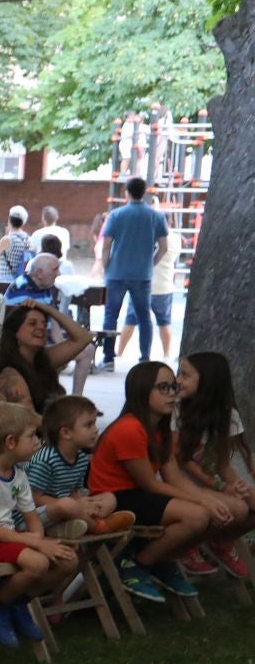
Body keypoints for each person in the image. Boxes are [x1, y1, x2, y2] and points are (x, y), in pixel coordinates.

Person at [88, 361, 238, 603]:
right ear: (141, 391)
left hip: (138, 494)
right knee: (198, 516)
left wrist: (207, 498)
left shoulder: (160, 427)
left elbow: (173, 476)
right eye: (163, 388)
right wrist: (204, 502)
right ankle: (138, 564)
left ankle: (163, 561)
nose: (172, 394)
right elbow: (151, 484)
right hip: (115, 498)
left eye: (173, 387)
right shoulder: (130, 428)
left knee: (218, 510)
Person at [0, 402, 80, 647]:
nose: (38, 442)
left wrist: (39, 539)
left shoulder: (18, 473)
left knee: (68, 561)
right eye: (32, 436)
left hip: (7, 536)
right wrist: (35, 543)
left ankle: (18, 601)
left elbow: (32, 518)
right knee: (38, 563)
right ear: (11, 442)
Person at [174, 351, 255, 578]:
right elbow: (182, 461)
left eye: (185, 375)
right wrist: (220, 487)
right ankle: (187, 545)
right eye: (180, 373)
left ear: (207, 382)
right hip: (176, 481)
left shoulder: (229, 415)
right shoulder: (175, 409)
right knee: (237, 508)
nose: (178, 380)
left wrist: (237, 486)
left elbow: (223, 466)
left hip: (204, 482)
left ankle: (221, 540)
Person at [93, 177, 171, 371]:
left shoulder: (116, 215)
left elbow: (106, 245)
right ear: (144, 192)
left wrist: (106, 266)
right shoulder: (156, 216)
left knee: (111, 315)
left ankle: (108, 358)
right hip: (142, 274)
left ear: (126, 192)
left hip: (117, 273)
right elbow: (163, 247)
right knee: (144, 317)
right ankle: (144, 357)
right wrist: (150, 264)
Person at [28, 394, 132, 536]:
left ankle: (77, 523)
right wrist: (74, 504)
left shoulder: (81, 459)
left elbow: (75, 491)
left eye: (95, 423)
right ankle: (97, 526)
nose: (95, 429)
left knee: (110, 497)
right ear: (66, 433)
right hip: (33, 515)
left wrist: (83, 502)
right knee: (67, 505)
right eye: (88, 425)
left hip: (67, 507)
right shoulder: (45, 460)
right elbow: (34, 499)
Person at [0, 297, 92, 412]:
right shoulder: (9, 372)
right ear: (15, 332)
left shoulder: (42, 359)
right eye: (32, 323)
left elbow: (84, 338)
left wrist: (49, 310)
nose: (41, 327)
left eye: (44, 324)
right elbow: (28, 420)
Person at [121, 226, 181, 365]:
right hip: (164, 285)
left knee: (131, 320)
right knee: (164, 322)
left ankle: (119, 353)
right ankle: (166, 354)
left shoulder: (144, 236)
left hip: (142, 285)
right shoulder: (176, 238)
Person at [0, 205, 34, 281]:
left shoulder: (8, 239)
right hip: (22, 278)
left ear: (9, 220)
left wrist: (7, 235)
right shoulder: (28, 238)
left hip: (7, 278)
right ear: (23, 222)